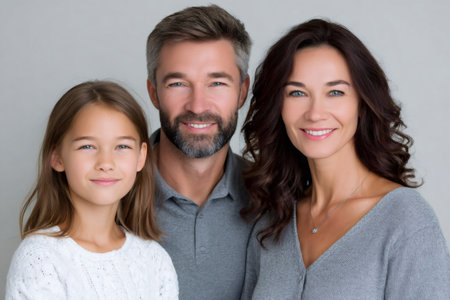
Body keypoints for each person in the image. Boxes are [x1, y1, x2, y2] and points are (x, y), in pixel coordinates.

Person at [240, 19, 450, 299]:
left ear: (362, 103)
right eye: (297, 93)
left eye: (335, 92)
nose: (315, 113)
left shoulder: (406, 221)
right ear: (278, 106)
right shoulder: (271, 222)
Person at [6, 81, 178, 299]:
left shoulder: (155, 260)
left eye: (122, 147)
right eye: (87, 146)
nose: (106, 163)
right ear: (57, 156)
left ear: (141, 157)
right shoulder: (40, 259)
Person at [145, 5, 253, 300]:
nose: (197, 105)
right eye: (178, 83)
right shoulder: (109, 193)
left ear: (242, 91)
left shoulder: (273, 198)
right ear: (154, 92)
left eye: (217, 83)